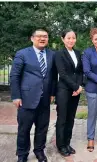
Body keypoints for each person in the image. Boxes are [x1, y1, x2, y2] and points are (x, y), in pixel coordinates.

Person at [10, 29, 57, 162]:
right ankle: (22, 154)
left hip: (45, 99)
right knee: (24, 129)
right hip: (26, 98)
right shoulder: (22, 53)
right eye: (39, 36)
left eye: (45, 36)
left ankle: (39, 151)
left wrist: (52, 93)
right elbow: (14, 76)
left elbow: (53, 76)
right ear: (32, 38)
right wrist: (16, 96)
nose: (42, 39)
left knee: (42, 128)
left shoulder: (51, 54)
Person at [54, 29, 83, 156]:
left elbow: (80, 72)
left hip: (76, 91)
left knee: (71, 118)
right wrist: (76, 86)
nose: (71, 40)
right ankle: (61, 146)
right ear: (63, 39)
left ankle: (67, 143)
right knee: (62, 118)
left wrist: (79, 86)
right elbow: (63, 74)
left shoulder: (77, 52)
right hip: (64, 90)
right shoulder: (59, 54)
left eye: (73, 38)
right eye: (68, 38)